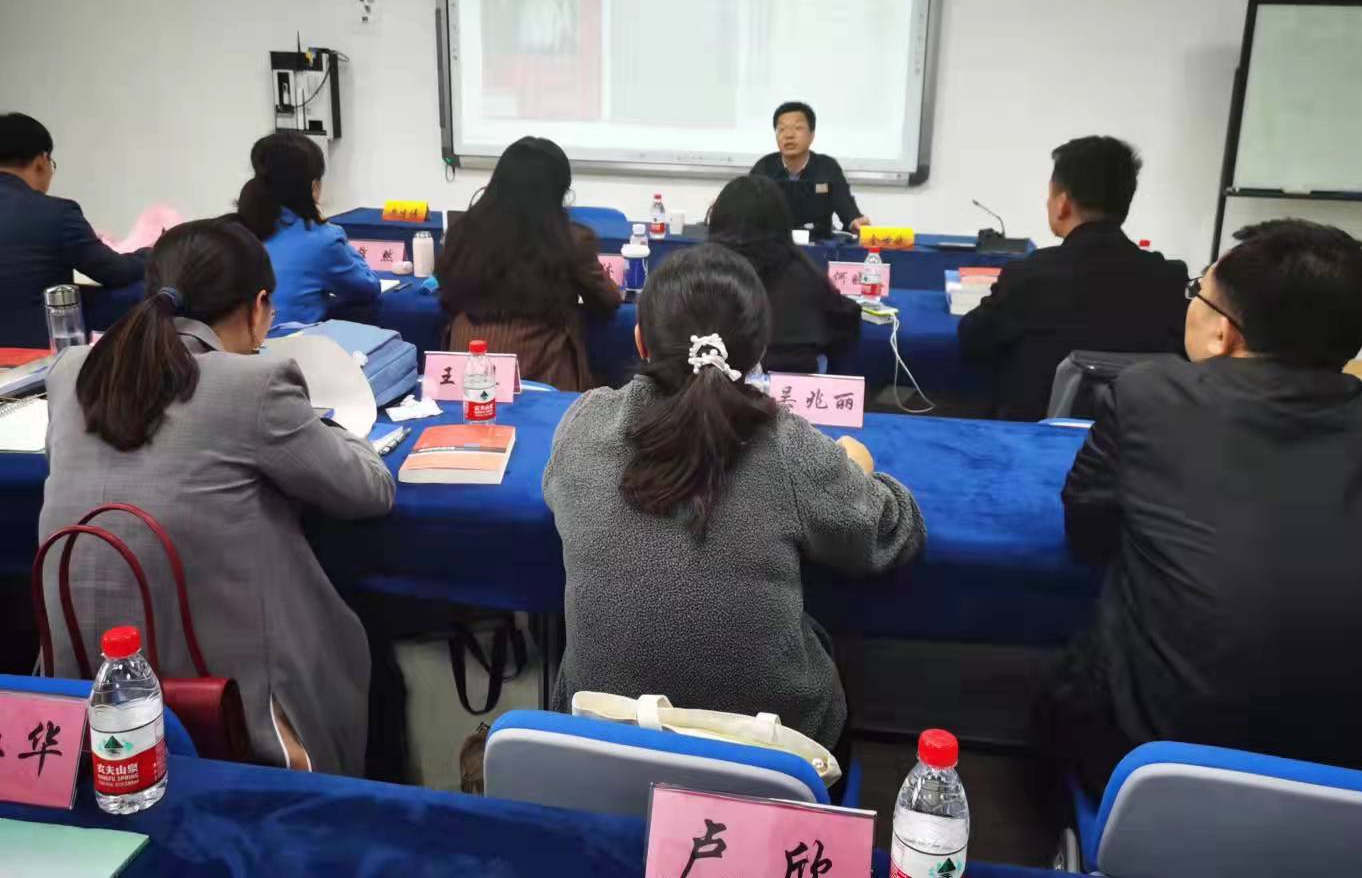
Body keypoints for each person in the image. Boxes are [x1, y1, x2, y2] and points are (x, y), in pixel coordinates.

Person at [1043, 219, 1362, 800]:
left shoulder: (1150, 394)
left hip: (1162, 764)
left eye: (1197, 294)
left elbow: (1088, 529)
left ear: (1222, 333)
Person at [39, 218, 396, 776]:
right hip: (224, 704)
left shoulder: (71, 372)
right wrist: (338, 428)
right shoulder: (254, 384)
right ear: (259, 307)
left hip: (76, 691)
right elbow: (367, 491)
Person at [543, 243, 924, 752]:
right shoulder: (787, 445)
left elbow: (557, 491)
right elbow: (890, 532)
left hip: (603, 745)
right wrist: (855, 468)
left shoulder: (585, 424)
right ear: (760, 351)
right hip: (771, 757)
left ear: (640, 341)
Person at [957, 136, 1186, 420]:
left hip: (1031, 435)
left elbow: (972, 339)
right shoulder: (1170, 278)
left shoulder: (1029, 274)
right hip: (1132, 437)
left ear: (1062, 204)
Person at [437, 137, 621, 389]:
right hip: (539, 374)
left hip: (465, 369)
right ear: (559, 192)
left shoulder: (462, 231)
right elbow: (607, 301)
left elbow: (446, 287)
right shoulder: (571, 240)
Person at [0, 112, 146, 347]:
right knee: (148, 291)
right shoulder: (55, 212)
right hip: (34, 356)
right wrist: (154, 253)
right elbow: (115, 272)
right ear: (41, 161)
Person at [708, 174, 860, 373]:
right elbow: (845, 319)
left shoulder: (698, 273)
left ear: (718, 218)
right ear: (783, 220)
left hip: (708, 384)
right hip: (792, 384)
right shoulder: (805, 274)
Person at [237, 131, 379, 325]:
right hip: (295, 341)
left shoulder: (235, 230)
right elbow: (368, 288)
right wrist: (330, 230)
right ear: (314, 187)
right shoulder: (323, 238)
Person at [751, 101, 870, 239]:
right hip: (773, 244)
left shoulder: (827, 167)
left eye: (797, 128)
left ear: (812, 135)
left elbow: (845, 204)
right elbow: (746, 210)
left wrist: (854, 220)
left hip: (819, 242)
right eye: (781, 129)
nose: (788, 135)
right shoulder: (763, 167)